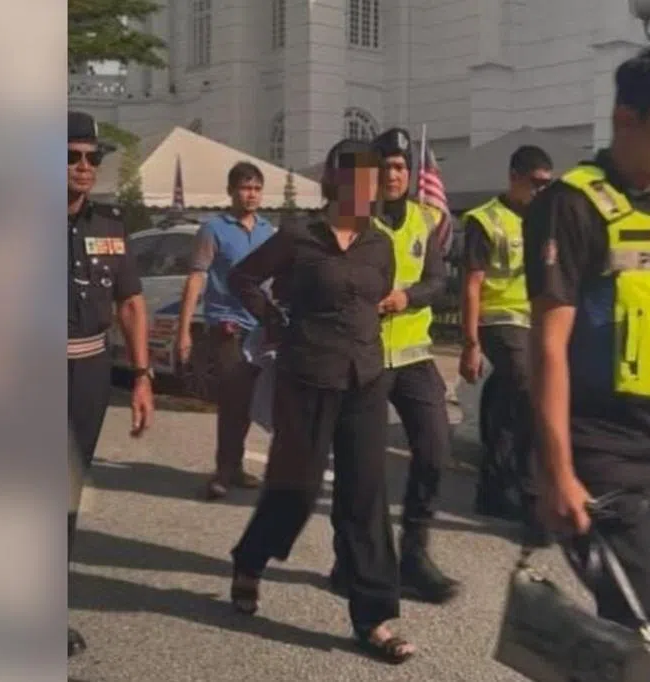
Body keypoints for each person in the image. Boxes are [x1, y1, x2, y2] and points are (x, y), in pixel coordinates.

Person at [523, 48, 650, 682]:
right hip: (604, 454)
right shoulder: (570, 205)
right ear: (627, 118)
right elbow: (547, 346)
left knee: (634, 640)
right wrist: (558, 472)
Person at [226, 139, 416, 664]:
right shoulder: (299, 236)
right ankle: (250, 560)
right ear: (334, 182)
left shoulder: (380, 243)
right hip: (307, 376)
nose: (366, 188)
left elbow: (380, 297)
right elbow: (242, 277)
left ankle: (373, 617)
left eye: (372, 179)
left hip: (366, 379)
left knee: (365, 496)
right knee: (297, 488)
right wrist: (271, 318)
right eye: (355, 178)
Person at [329, 127, 461, 605]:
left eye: (402, 167)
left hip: (413, 355)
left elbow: (438, 280)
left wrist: (407, 297)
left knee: (434, 450)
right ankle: (349, 559)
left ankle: (414, 556)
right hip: (364, 356)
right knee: (359, 464)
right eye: (385, 167)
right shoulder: (357, 220)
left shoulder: (425, 219)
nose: (394, 175)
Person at [67, 110, 155, 657]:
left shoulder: (109, 226)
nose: (84, 166)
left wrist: (142, 377)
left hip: (89, 374)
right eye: (71, 156)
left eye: (92, 157)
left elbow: (131, 305)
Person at [458, 144, 553, 544]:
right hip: (498, 320)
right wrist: (470, 343)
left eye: (547, 184)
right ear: (514, 176)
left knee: (503, 406)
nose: (541, 190)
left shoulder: (546, 220)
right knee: (532, 400)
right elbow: (471, 284)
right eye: (535, 183)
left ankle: (492, 491)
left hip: (534, 322)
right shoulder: (485, 220)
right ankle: (534, 505)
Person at [176, 162, 276, 500]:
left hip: (259, 328)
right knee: (233, 399)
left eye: (257, 189)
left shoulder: (268, 231)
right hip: (227, 327)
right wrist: (184, 331)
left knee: (251, 401)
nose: (251, 195)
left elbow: (276, 281)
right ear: (231, 191)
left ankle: (235, 464)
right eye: (245, 188)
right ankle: (224, 469)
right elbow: (196, 278)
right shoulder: (213, 230)